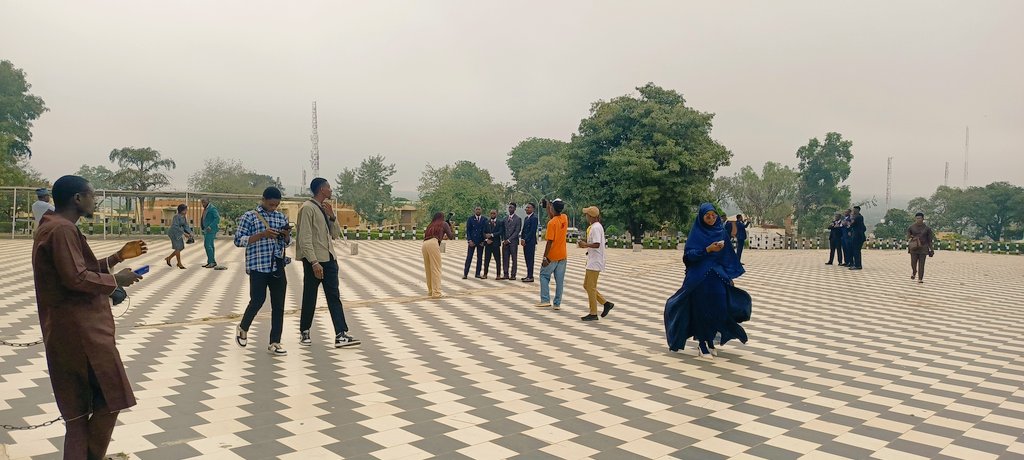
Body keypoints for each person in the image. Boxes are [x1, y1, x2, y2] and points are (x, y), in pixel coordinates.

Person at [32, 175, 147, 460]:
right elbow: (76, 278)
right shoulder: (61, 230)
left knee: (79, 414)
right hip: (83, 333)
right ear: (77, 199)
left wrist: (118, 257)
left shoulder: (56, 227)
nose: (95, 201)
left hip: (68, 331)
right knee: (111, 399)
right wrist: (116, 281)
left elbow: (80, 268)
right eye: (92, 195)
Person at [664, 203, 751, 358]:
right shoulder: (696, 233)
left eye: (713, 215)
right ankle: (703, 343)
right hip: (699, 277)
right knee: (701, 309)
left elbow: (728, 256)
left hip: (717, 276)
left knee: (719, 307)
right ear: (701, 217)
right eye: (707, 216)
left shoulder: (721, 232)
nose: (711, 218)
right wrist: (707, 250)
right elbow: (688, 256)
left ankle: (711, 339)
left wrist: (729, 277)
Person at [295, 178, 360, 348]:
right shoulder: (307, 209)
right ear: (322, 189)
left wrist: (332, 216)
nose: (331, 190)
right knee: (310, 297)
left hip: (329, 259)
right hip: (315, 261)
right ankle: (305, 331)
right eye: (329, 187)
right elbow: (304, 238)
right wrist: (314, 262)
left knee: (334, 297)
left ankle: (341, 334)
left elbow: (336, 234)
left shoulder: (324, 208)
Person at [235, 187, 293, 356]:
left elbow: (287, 243)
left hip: (277, 265)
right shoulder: (249, 217)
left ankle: (275, 342)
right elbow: (238, 240)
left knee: (279, 305)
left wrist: (286, 236)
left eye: (276, 205)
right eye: (270, 204)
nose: (273, 207)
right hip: (258, 266)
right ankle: (243, 327)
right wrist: (262, 234)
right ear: (263, 200)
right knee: (258, 300)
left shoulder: (281, 217)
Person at [578, 206, 614, 321]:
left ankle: (593, 313)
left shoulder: (596, 227)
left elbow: (597, 244)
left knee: (591, 286)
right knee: (586, 285)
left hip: (595, 261)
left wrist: (585, 245)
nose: (586, 216)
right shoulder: (594, 227)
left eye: (587, 214)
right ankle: (605, 303)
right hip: (592, 259)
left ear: (591, 216)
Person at [537, 199, 568, 309]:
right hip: (563, 255)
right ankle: (557, 303)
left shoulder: (551, 223)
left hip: (552, 256)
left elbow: (549, 242)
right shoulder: (564, 218)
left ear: (553, 208)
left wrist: (545, 257)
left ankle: (545, 299)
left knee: (544, 276)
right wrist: (549, 207)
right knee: (559, 281)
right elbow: (554, 216)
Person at [422, 212, 455, 297]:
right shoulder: (443, 224)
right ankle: (436, 292)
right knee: (436, 268)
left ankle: (430, 291)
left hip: (425, 244)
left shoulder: (431, 225)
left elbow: (437, 235)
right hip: (433, 243)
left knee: (428, 269)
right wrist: (451, 226)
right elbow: (451, 236)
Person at [907, 212, 935, 283]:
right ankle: (914, 271)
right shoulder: (911, 227)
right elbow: (908, 236)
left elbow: (930, 240)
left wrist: (931, 249)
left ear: (923, 219)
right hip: (914, 247)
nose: (918, 219)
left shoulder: (927, 229)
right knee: (913, 263)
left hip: (923, 248)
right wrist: (911, 237)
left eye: (920, 218)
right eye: (917, 218)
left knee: (921, 264)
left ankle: (920, 278)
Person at [165, 204, 193, 269]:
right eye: (185, 210)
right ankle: (179, 263)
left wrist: (190, 232)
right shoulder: (176, 217)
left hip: (179, 234)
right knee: (177, 248)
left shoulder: (184, 217)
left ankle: (169, 258)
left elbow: (186, 226)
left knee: (181, 247)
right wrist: (184, 233)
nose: (186, 211)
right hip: (173, 233)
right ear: (182, 210)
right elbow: (175, 226)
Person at [463, 207, 486, 279]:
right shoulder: (470, 219)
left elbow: (486, 231)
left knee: (480, 258)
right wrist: (469, 240)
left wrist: (484, 241)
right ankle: (465, 273)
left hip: (480, 241)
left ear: (481, 210)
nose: (478, 211)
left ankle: (478, 273)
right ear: (474, 210)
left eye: (479, 209)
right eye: (477, 209)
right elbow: (468, 231)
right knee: (469, 257)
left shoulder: (484, 219)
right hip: (472, 241)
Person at [502, 203, 522, 280]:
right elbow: (503, 230)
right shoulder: (505, 218)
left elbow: (517, 231)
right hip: (505, 242)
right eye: (509, 207)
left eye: (512, 208)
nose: (510, 209)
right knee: (505, 258)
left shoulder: (518, 219)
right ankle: (505, 273)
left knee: (514, 259)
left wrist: (509, 240)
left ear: (515, 209)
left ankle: (513, 274)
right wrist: (504, 239)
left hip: (513, 242)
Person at [482, 209, 504, 279]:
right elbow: (483, 232)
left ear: (496, 214)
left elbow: (500, 232)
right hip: (488, 244)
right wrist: (486, 239)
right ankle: (485, 274)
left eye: (494, 213)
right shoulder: (486, 222)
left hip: (496, 244)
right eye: (491, 213)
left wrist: (492, 235)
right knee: (486, 260)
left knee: (498, 260)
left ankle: (498, 275)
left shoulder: (499, 222)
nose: (492, 215)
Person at [200, 197, 221, 269]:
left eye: (204, 202)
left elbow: (217, 218)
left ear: (208, 201)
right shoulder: (206, 209)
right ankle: (211, 262)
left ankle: (212, 262)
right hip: (207, 230)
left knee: (207, 245)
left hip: (211, 230)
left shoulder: (212, 208)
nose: (203, 204)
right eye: (202, 202)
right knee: (210, 245)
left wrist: (210, 226)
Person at [521, 202, 539, 283]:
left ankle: (530, 276)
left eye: (529, 207)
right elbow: (524, 230)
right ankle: (528, 275)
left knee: (530, 259)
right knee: (527, 259)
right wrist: (522, 238)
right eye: (526, 207)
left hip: (530, 242)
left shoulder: (534, 218)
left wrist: (525, 239)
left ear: (533, 209)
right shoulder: (526, 218)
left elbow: (532, 231)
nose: (527, 209)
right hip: (525, 242)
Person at [848, 206, 866, 270]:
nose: (853, 211)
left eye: (854, 210)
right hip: (857, 236)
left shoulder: (858, 217)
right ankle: (857, 264)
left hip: (858, 237)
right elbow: (864, 228)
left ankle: (857, 265)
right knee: (856, 251)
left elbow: (852, 225)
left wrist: (849, 223)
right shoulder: (859, 217)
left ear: (857, 210)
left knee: (856, 251)